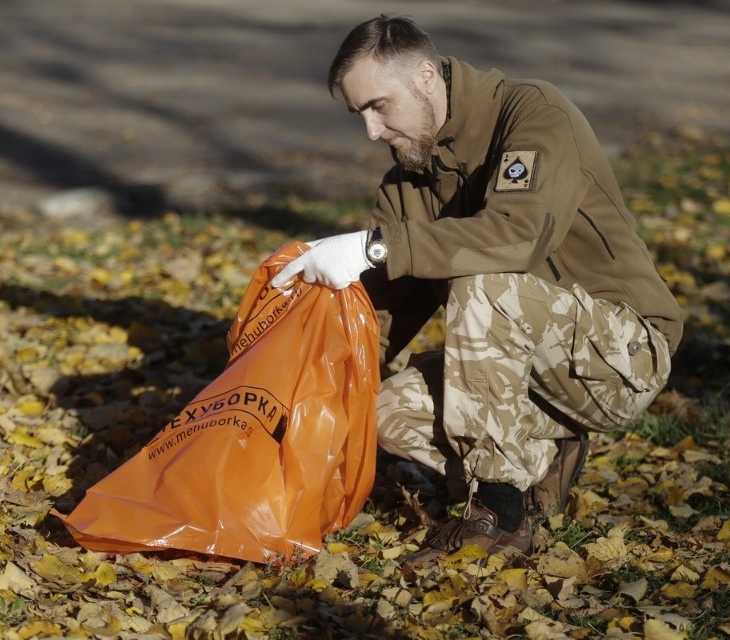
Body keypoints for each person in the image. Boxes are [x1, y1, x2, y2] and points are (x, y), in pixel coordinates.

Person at [270, 14, 682, 566]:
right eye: (359, 114)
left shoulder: (534, 112)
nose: (371, 131)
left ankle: (498, 515)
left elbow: (515, 239)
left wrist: (375, 247)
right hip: (521, 377)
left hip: (621, 358)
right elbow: (383, 321)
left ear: (423, 76)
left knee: (484, 279)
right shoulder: (405, 184)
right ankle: (546, 460)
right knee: (384, 411)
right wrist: (293, 398)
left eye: (378, 106)